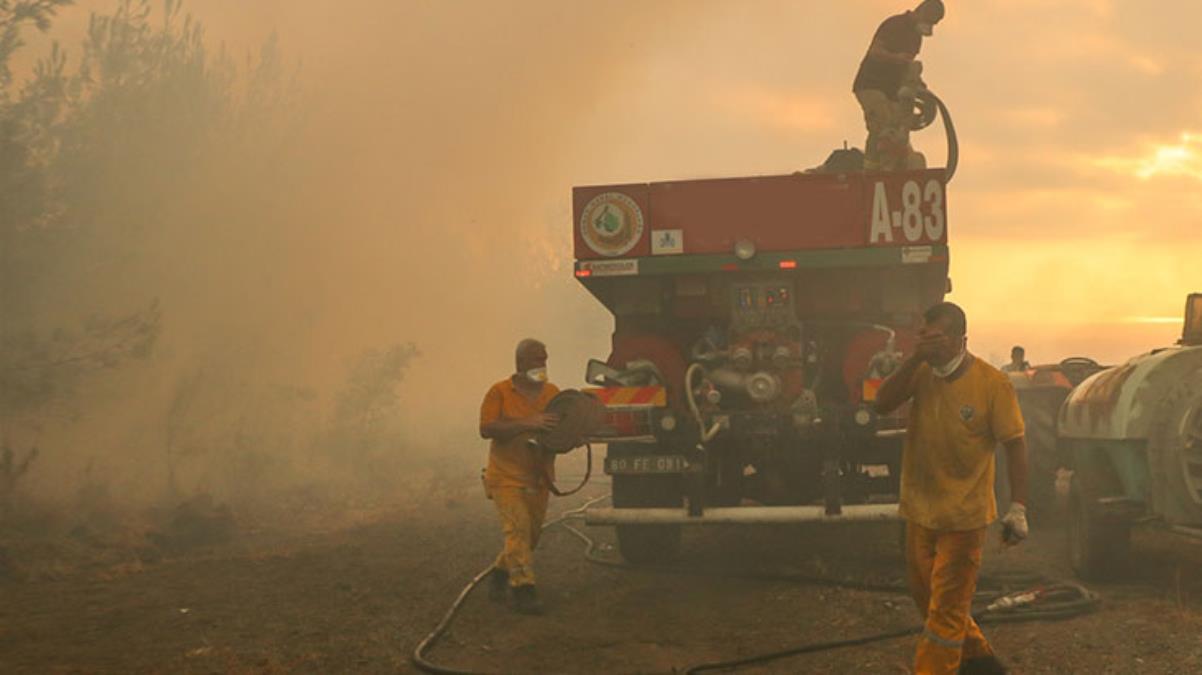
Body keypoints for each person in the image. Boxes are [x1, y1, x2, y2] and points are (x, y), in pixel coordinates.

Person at [874, 303, 1029, 675]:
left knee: (945, 613)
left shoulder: (993, 384)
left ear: (962, 339)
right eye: (925, 338)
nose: (932, 346)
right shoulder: (921, 373)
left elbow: (1016, 444)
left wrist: (1018, 507)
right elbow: (881, 404)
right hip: (920, 511)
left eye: (939, 339)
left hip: (964, 516)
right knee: (928, 599)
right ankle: (983, 665)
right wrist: (914, 360)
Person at [479, 338, 560, 615]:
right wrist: (529, 423)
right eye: (538, 360)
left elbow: (563, 431)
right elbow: (487, 428)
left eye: (545, 359)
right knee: (517, 531)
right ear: (521, 362)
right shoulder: (499, 392)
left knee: (530, 537)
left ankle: (501, 571)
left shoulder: (552, 394)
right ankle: (523, 589)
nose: (543, 365)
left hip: (539, 478)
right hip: (506, 477)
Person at [852, 0, 946, 170]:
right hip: (870, 85)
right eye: (931, 21)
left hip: (892, 90)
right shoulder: (894, 25)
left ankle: (892, 168)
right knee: (883, 124)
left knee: (897, 133)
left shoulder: (916, 38)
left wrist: (919, 86)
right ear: (922, 12)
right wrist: (897, 58)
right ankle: (872, 169)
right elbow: (875, 52)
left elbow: (908, 65)